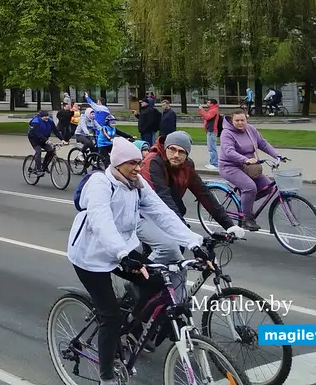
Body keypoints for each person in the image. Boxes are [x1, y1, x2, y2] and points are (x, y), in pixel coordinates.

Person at [68, 138, 205, 385]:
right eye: (132, 163)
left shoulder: (137, 184)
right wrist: (123, 254)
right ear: (118, 163)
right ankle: (106, 377)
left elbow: (162, 214)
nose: (138, 168)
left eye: (139, 163)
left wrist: (195, 242)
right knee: (109, 316)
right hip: (92, 256)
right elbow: (101, 222)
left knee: (156, 285)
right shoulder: (100, 183)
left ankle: (131, 326)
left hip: (123, 252)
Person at [139, 131, 243, 262]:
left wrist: (228, 224)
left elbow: (203, 193)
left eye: (181, 152)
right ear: (166, 148)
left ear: (187, 155)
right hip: (146, 213)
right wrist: (185, 232)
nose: (176, 155)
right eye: (172, 149)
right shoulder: (153, 162)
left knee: (175, 256)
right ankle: (141, 279)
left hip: (170, 210)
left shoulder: (187, 165)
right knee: (169, 250)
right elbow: (163, 198)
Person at [219, 110, 283, 232]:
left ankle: (244, 203)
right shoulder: (226, 133)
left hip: (249, 166)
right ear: (232, 121)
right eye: (237, 120)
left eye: (242, 120)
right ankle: (247, 219)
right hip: (230, 166)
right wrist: (245, 159)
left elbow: (262, 144)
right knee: (250, 187)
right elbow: (229, 152)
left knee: (268, 187)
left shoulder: (250, 129)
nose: (240, 123)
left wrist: (278, 155)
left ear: (246, 119)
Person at [26, 110, 61, 177]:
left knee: (51, 150)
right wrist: (46, 141)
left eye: (47, 116)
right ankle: (38, 170)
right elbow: (38, 134)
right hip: (34, 139)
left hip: (44, 138)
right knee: (38, 151)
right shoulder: (35, 122)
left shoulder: (50, 121)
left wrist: (63, 140)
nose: (46, 117)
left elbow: (56, 131)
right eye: (44, 116)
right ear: (40, 117)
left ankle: (44, 166)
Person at [198, 98, 222, 170]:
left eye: (208, 103)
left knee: (212, 148)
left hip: (212, 131)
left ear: (212, 104)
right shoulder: (212, 110)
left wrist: (201, 110)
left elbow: (207, 117)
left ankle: (214, 163)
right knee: (211, 148)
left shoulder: (213, 110)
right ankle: (212, 162)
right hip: (210, 130)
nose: (207, 104)